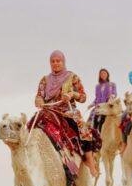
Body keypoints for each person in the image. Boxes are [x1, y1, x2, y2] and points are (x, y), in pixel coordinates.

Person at [34, 50, 100, 178]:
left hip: (67, 111)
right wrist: (39, 101)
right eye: (53, 61)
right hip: (49, 111)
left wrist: (71, 94)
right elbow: (39, 96)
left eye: (58, 61)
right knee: (32, 127)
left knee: (83, 129)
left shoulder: (72, 77)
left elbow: (83, 97)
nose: (55, 64)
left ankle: (90, 162)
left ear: (63, 62)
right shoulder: (45, 80)